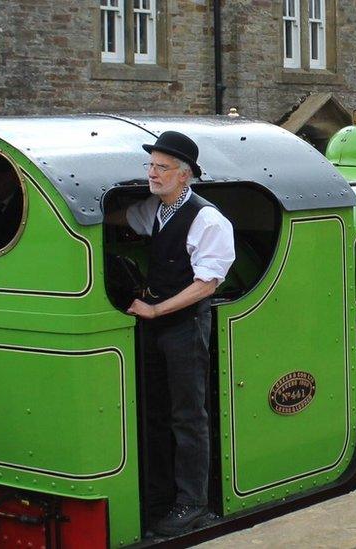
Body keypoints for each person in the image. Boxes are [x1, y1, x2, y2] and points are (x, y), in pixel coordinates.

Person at [108, 131, 234, 536]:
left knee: (188, 416)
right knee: (156, 411)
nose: (152, 174)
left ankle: (191, 502)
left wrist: (157, 309)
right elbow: (120, 219)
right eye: (151, 166)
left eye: (161, 168)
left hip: (184, 325)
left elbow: (207, 284)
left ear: (185, 175)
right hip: (155, 325)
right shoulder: (154, 210)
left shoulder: (208, 219)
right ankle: (159, 494)